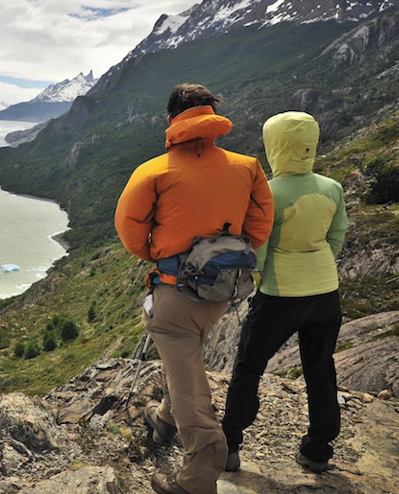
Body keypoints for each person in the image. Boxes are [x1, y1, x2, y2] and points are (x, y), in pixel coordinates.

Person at [115, 83, 274, 494]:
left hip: (174, 293)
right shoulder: (248, 166)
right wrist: (224, 255)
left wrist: (158, 253)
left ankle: (198, 476)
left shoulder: (153, 171)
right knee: (183, 356)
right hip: (221, 290)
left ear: (172, 121)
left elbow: (131, 232)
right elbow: (259, 226)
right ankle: (166, 421)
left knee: (186, 373)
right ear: (212, 118)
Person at [220, 111, 348, 474]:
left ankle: (228, 445)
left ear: (274, 145)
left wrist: (260, 280)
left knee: (249, 366)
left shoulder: (268, 192)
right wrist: (316, 264)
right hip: (325, 293)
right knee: (321, 369)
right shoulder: (332, 188)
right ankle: (318, 449)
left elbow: (257, 248)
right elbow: (336, 236)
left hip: (279, 293)